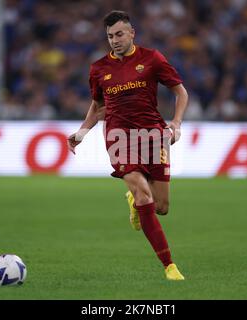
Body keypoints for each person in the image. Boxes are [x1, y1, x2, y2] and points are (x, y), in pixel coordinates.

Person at [67, 10, 188, 280]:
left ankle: (135, 201)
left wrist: (177, 123)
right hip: (119, 138)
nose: (114, 40)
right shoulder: (98, 68)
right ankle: (170, 266)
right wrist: (83, 131)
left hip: (154, 136)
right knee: (145, 194)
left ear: (132, 33)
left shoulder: (152, 59)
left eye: (119, 34)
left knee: (161, 207)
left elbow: (180, 92)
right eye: (110, 36)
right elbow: (98, 107)